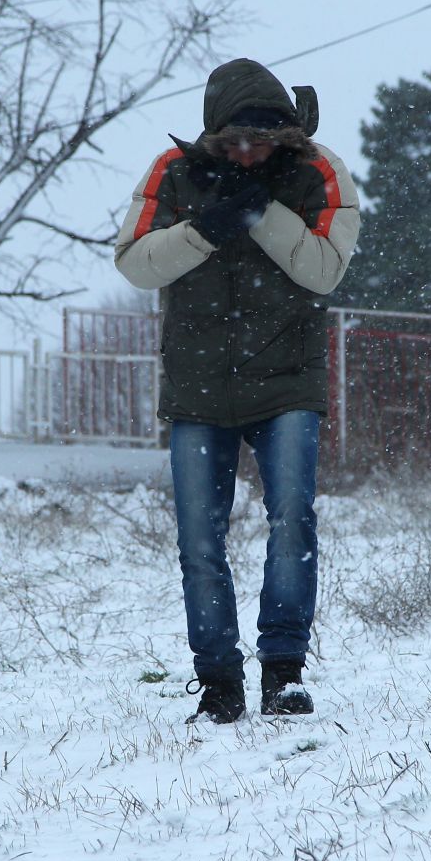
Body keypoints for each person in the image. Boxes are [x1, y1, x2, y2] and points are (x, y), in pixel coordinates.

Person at [114, 58, 360, 723]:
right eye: (235, 143)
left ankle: (284, 671)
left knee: (292, 519)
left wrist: (260, 211)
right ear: (215, 138)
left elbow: (324, 270)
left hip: (287, 381)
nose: (249, 154)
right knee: (199, 538)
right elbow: (135, 263)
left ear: (287, 138)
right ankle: (219, 681)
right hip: (198, 386)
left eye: (263, 142)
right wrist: (207, 226)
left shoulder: (320, 173)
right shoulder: (173, 173)